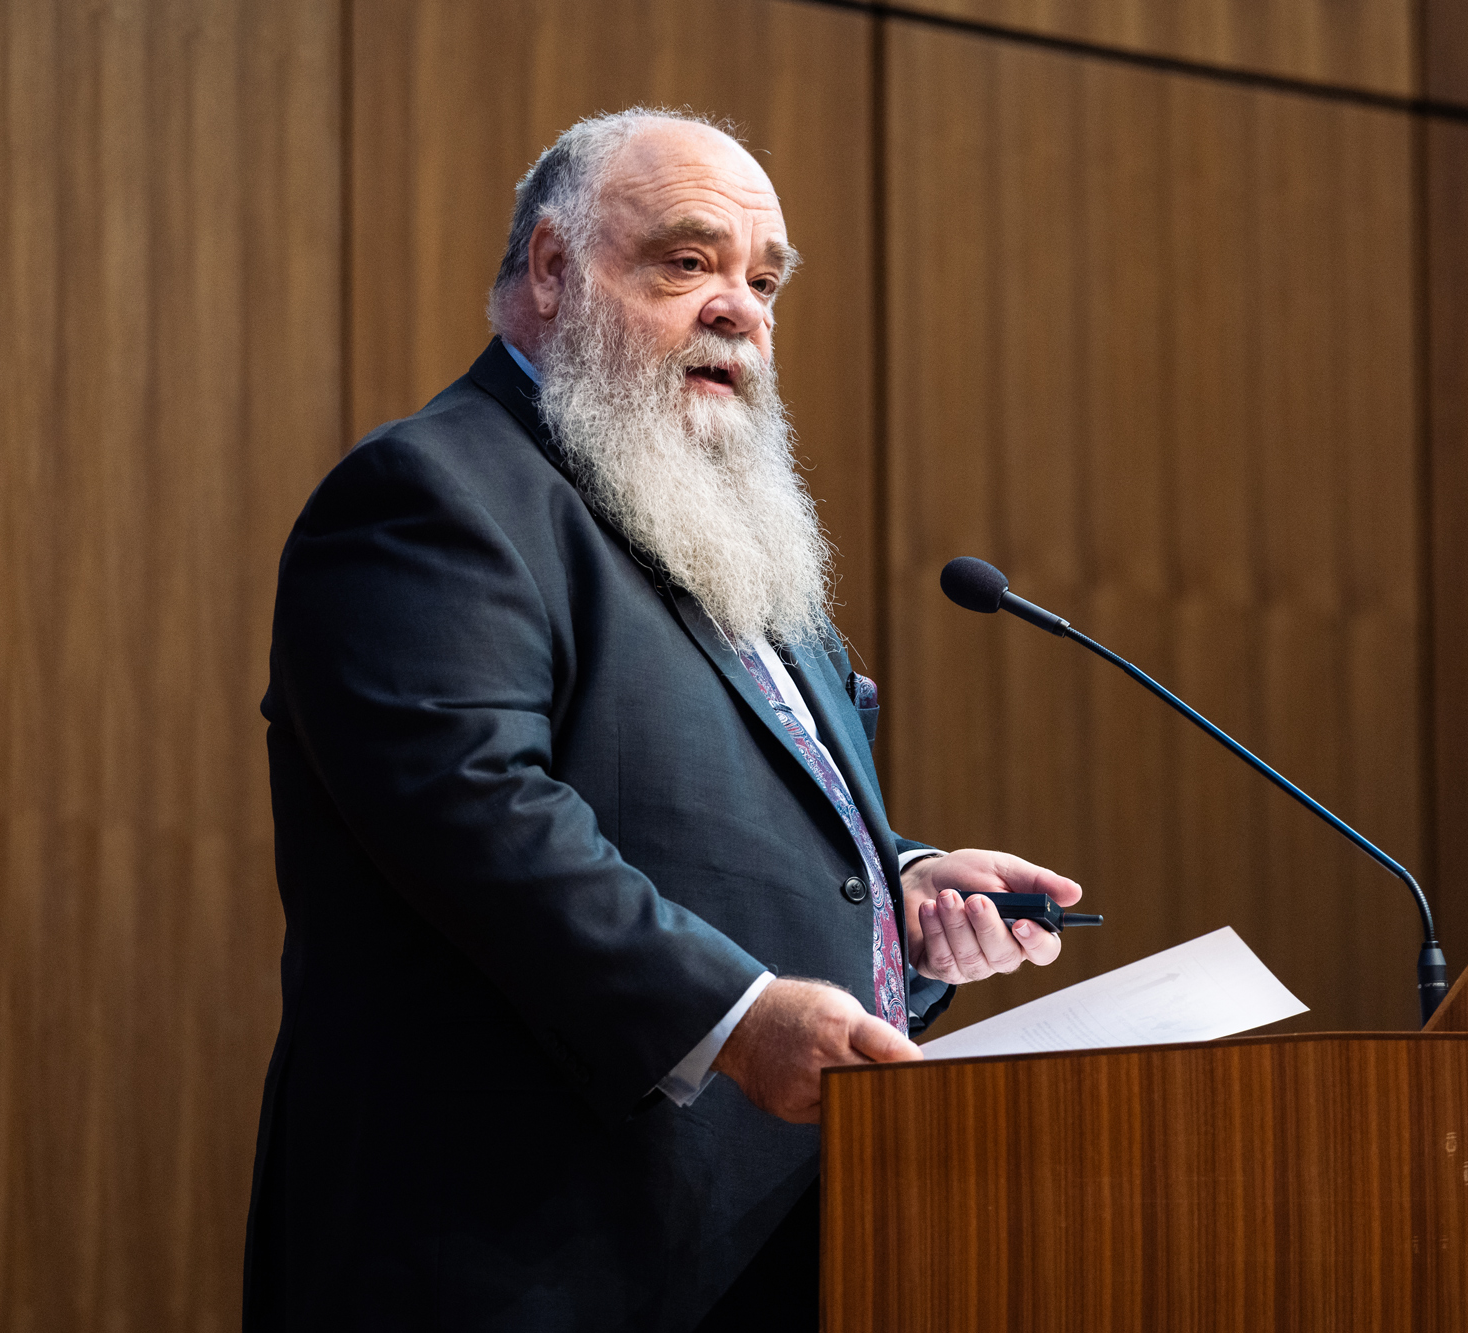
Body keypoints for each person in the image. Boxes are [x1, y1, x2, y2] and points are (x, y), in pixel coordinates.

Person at [242, 106, 1083, 1332]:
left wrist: (900, 888)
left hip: (762, 1255)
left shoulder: (733, 549)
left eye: (762, 279)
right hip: (511, 1260)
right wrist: (734, 1017)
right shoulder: (431, 498)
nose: (738, 306)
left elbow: (725, 823)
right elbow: (476, 812)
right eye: (687, 262)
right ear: (550, 268)